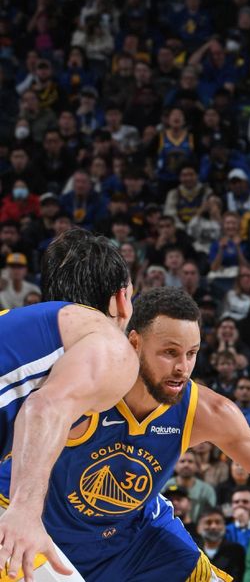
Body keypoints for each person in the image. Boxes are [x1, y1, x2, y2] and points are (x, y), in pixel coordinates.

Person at [0, 287, 250, 581]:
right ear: (134, 343)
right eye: (169, 352)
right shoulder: (90, 386)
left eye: (191, 353)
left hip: (138, 541)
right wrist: (22, 510)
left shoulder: (205, 410)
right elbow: (39, 411)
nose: (182, 367)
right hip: (48, 535)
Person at [0, 228, 138, 581]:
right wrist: (26, 511)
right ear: (121, 299)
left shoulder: (17, 323)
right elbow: (43, 409)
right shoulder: (109, 343)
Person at [197, 507, 246, 581]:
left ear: (224, 527)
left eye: (218, 522)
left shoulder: (237, 550)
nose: (213, 526)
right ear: (198, 528)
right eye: (208, 522)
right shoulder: (193, 551)